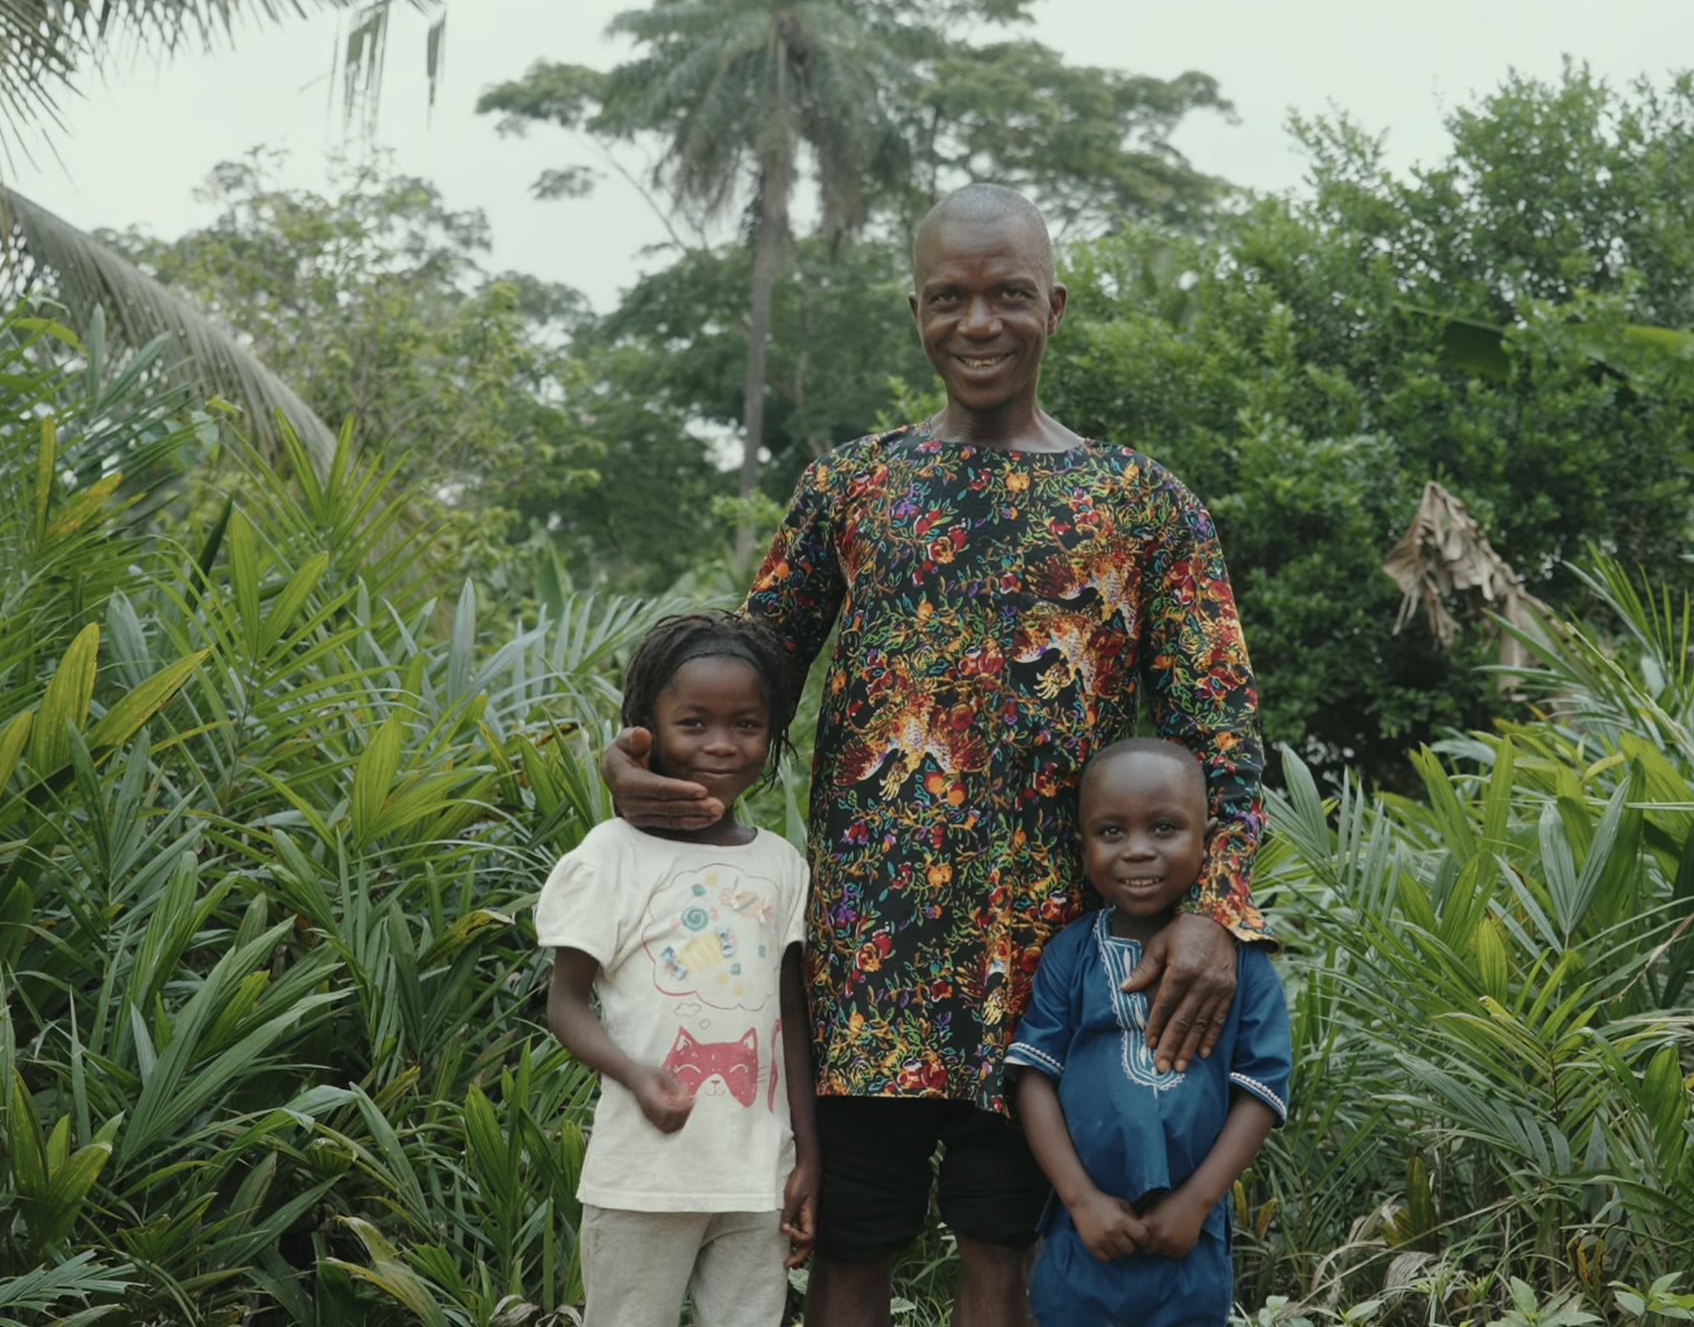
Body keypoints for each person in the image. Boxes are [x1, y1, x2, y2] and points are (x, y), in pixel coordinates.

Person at [605, 182, 1270, 1327]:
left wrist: (1217, 907)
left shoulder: (1144, 503)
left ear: (1052, 305)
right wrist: (635, 766)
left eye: (1008, 296)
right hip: (869, 958)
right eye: (949, 299)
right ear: (915, 310)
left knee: (1002, 1248)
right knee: (850, 1246)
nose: (979, 324)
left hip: (1054, 965)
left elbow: (1222, 732)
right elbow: (741, 674)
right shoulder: (853, 488)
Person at [536, 612, 819, 1327]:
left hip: (756, 1179)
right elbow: (565, 1004)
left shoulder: (780, 864)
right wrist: (634, 1075)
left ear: (773, 732)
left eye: (746, 724)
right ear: (646, 730)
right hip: (643, 1179)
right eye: (694, 723)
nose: (721, 744)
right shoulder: (612, 854)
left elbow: (790, 1022)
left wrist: (806, 1157)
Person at [1006, 738, 1289, 1327]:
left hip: (1190, 1238)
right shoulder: (1069, 955)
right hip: (1082, 1232)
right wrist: (1081, 1199)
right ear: (1082, 848)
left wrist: (1196, 1202)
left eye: (1164, 828)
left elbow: (1261, 1092)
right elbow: (1032, 1077)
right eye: (1112, 832)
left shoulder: (1243, 966)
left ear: (1208, 840)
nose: (1138, 851)